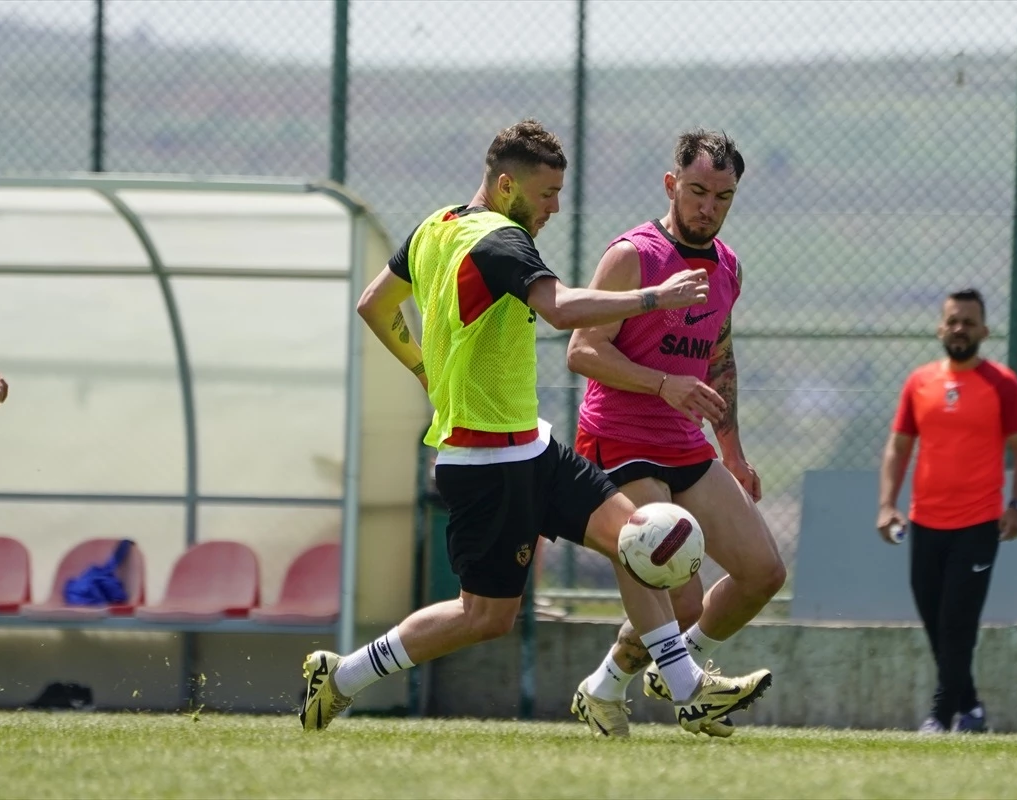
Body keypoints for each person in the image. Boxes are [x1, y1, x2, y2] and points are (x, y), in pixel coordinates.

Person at [299, 119, 770, 736]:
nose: (553, 208)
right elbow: (560, 311)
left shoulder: (432, 226)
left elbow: (375, 304)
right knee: (487, 616)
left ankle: (683, 688)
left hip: (533, 444)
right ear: (503, 185)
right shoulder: (501, 242)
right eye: (546, 194)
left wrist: (424, 370)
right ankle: (342, 677)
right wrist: (653, 299)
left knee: (634, 538)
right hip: (484, 462)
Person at [566, 129, 785, 738]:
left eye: (723, 196)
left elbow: (719, 357)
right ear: (671, 185)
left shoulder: (728, 266)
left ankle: (630, 679)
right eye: (696, 191)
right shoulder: (632, 256)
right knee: (678, 592)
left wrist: (733, 453)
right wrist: (663, 384)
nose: (707, 207)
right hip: (623, 438)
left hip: (686, 443)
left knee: (763, 573)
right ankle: (683, 675)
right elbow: (582, 352)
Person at [876, 288, 1017, 735]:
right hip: (924, 523)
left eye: (969, 321)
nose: (960, 329)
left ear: (984, 330)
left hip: (980, 524)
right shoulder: (919, 383)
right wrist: (888, 505)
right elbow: (898, 447)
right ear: (940, 328)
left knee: (957, 620)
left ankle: (942, 715)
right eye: (953, 320)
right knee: (934, 619)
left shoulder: (1003, 384)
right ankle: (971, 707)